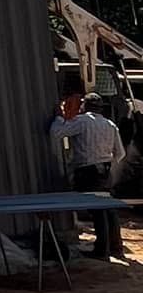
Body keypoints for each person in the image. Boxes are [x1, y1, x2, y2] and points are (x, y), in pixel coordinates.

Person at [49, 93, 125, 258]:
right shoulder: (110, 125)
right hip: (105, 171)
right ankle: (116, 247)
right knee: (108, 209)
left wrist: (60, 117)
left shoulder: (82, 121)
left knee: (97, 210)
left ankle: (101, 251)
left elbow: (56, 134)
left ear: (84, 106)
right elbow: (120, 154)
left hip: (88, 172)